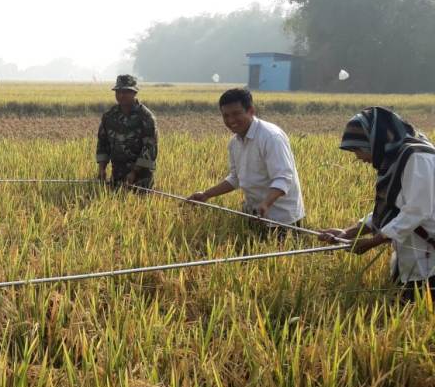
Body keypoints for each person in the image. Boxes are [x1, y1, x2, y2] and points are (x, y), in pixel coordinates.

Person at [320, 107, 435, 302]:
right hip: (412, 255)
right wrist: (348, 233)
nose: (358, 157)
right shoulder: (396, 158)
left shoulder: (417, 157)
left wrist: (371, 242)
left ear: (374, 141)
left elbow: (416, 212)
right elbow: (391, 209)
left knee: (417, 312)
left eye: (358, 148)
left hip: (428, 259)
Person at [187, 88, 305, 228]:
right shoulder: (234, 143)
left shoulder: (271, 137)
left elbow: (283, 178)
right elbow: (236, 178)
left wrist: (265, 204)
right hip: (254, 215)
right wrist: (206, 195)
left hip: (282, 220)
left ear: (251, 111)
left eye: (236, 114)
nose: (231, 120)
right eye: (226, 116)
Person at [96, 74, 158, 189]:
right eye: (118, 91)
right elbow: (102, 143)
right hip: (116, 176)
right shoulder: (109, 116)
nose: (121, 95)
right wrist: (102, 168)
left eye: (125, 92)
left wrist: (134, 172)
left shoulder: (146, 118)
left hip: (141, 179)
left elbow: (149, 149)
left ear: (134, 93)